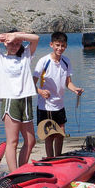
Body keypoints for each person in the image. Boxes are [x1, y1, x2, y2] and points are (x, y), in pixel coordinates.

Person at [0, 29, 40, 172]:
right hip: (11, 100)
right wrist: (6, 37)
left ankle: (21, 169)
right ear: (5, 44)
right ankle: (14, 173)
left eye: (17, 43)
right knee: (13, 141)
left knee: (30, 141)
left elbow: (36, 39)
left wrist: (17, 36)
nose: (14, 45)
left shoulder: (26, 56)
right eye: (11, 43)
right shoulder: (0, 58)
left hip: (26, 99)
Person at [33, 30, 83, 158]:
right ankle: (50, 159)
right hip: (46, 106)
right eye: (57, 45)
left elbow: (68, 83)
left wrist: (75, 89)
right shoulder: (44, 61)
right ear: (51, 45)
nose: (60, 48)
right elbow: (31, 84)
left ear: (66, 46)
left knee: (61, 134)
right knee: (49, 135)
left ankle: (58, 158)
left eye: (63, 45)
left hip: (60, 105)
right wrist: (40, 91)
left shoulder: (66, 61)